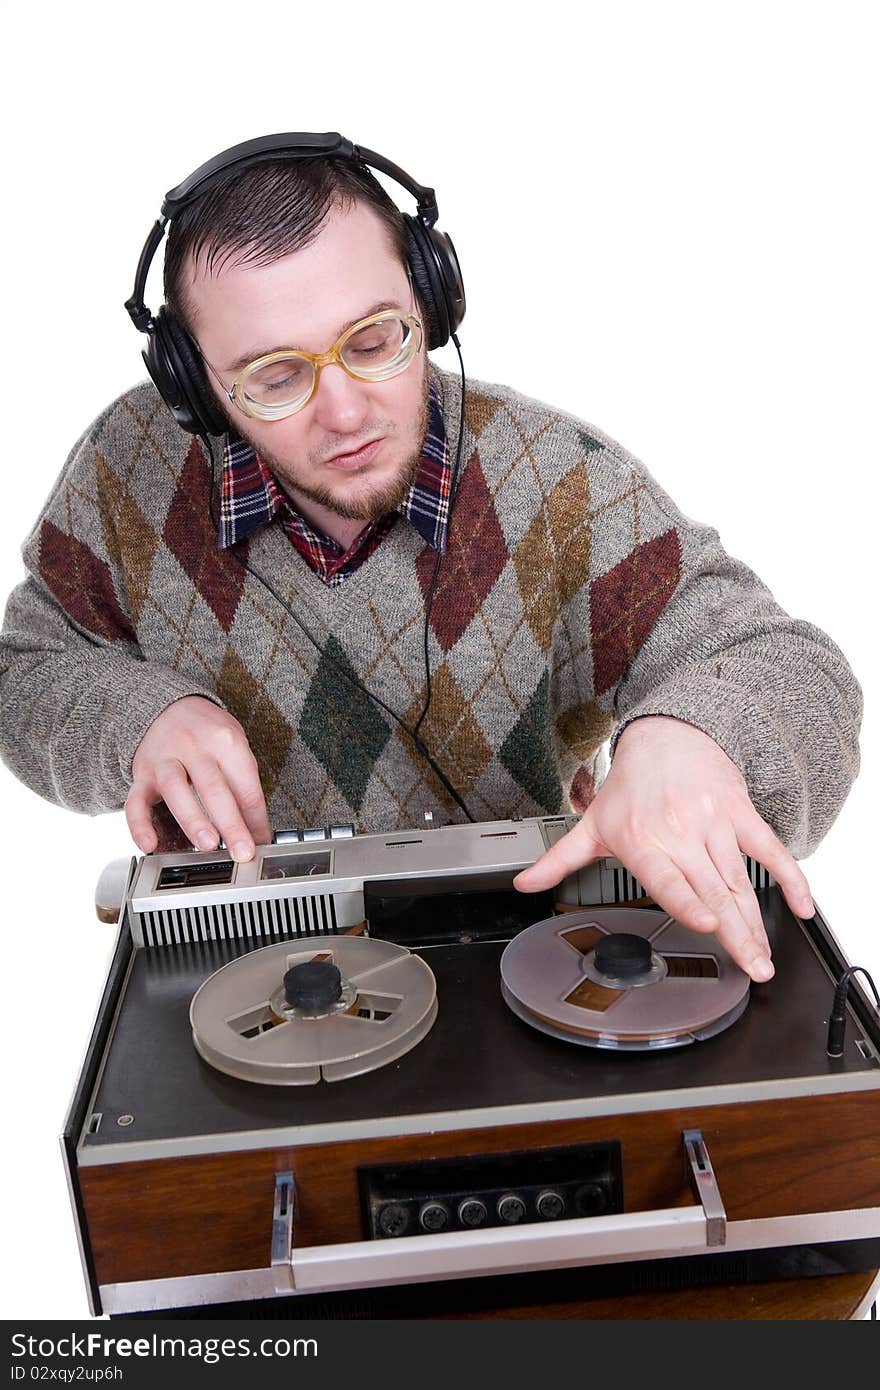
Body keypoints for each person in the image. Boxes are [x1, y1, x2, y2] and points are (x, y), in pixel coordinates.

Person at [0, 134, 862, 986]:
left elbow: (790, 667)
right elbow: (26, 670)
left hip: (535, 975)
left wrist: (694, 737)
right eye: (273, 376)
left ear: (431, 298)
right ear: (195, 386)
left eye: (374, 340)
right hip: (253, 990)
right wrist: (142, 714)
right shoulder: (128, 469)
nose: (343, 412)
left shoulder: (560, 483)